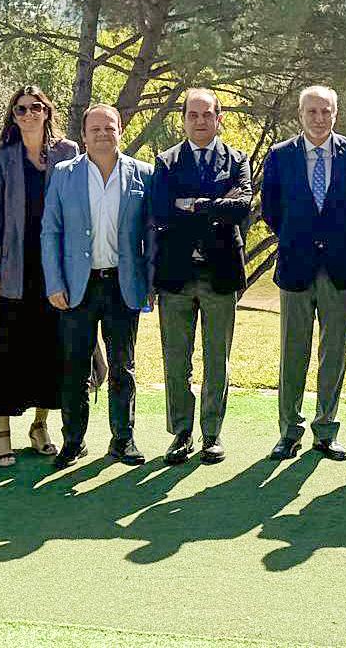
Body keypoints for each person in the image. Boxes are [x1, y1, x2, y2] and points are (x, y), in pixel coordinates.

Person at [260, 85, 346, 463]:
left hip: (342, 268)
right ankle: (288, 432)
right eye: (312, 112)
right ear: (300, 114)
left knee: (334, 353)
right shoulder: (279, 157)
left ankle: (325, 430)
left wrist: (340, 236)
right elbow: (272, 211)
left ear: (335, 114)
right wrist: (301, 237)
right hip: (296, 266)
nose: (319, 118)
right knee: (293, 352)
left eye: (326, 111)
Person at [41, 103, 154, 469]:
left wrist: (150, 282)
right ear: (84, 135)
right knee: (74, 367)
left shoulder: (142, 174)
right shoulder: (63, 174)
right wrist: (54, 282)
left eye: (110, 128)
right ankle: (73, 441)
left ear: (120, 129)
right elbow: (51, 231)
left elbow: (152, 235)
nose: (103, 134)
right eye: (96, 129)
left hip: (123, 285)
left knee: (123, 366)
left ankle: (123, 439)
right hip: (78, 286)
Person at [150, 89, 252, 465]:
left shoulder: (237, 159)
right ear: (184, 119)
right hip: (176, 275)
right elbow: (161, 209)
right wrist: (214, 206)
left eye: (207, 115)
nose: (200, 121)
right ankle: (180, 433)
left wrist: (194, 204)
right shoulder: (166, 161)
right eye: (193, 115)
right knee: (176, 360)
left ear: (218, 118)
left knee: (216, 360)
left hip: (220, 273)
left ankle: (211, 434)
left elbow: (241, 207)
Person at [0, 85, 79, 466]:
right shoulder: (4, 157)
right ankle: (1, 430)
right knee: (9, 351)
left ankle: (40, 426)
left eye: (35, 107)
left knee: (52, 351)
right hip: (16, 269)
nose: (28, 114)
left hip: (57, 268)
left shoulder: (67, 153)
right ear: (14, 115)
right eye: (20, 109)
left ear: (46, 111)